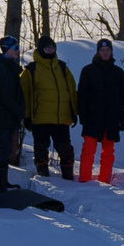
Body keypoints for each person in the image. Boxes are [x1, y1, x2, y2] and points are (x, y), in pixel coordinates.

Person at [23, 38, 78, 180]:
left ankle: (68, 176)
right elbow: (25, 95)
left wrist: (74, 111)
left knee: (66, 148)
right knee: (41, 147)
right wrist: (26, 116)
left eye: (52, 48)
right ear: (41, 49)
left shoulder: (62, 67)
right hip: (40, 118)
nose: (50, 51)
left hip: (62, 117)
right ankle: (43, 176)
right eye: (47, 48)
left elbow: (71, 90)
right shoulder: (31, 70)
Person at [77, 38, 124, 182]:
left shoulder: (118, 72)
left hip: (111, 118)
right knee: (88, 150)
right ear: (98, 52)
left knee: (108, 152)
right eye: (102, 50)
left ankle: (104, 181)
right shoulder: (88, 70)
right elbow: (82, 95)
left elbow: (123, 97)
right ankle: (84, 180)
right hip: (92, 117)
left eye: (108, 50)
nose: (105, 53)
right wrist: (82, 115)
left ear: (111, 51)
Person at [0, 34, 29, 177]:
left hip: (10, 115)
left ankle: (3, 180)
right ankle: (0, 183)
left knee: (7, 150)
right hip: (2, 115)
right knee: (2, 149)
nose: (18, 50)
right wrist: (17, 109)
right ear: (7, 49)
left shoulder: (12, 67)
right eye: (15, 48)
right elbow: (1, 94)